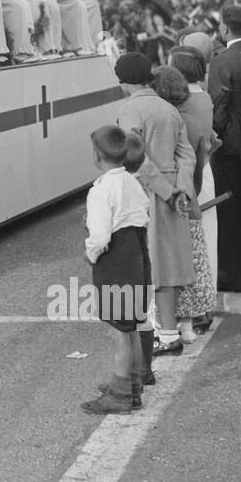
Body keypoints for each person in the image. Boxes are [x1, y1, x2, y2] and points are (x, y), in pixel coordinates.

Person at [114, 51, 195, 364]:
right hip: (174, 188)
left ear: (123, 82)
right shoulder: (168, 108)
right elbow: (186, 154)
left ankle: (161, 334)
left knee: (149, 264)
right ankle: (170, 330)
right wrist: (181, 190)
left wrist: (163, 190)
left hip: (145, 191)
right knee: (169, 262)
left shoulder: (130, 110)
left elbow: (134, 157)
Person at [81, 125, 151, 415]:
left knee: (117, 332)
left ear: (98, 156)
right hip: (137, 262)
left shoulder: (101, 190)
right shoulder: (133, 182)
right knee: (131, 327)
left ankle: (120, 397)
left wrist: (91, 254)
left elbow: (100, 237)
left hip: (115, 266)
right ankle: (133, 387)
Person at [165, 48, 217, 338]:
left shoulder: (183, 112)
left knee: (191, 249)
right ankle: (203, 306)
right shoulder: (205, 98)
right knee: (205, 243)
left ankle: (193, 312)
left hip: (189, 180)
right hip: (203, 171)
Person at [207, 5, 241, 292]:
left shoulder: (222, 61)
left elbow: (218, 108)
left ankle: (232, 274)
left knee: (230, 211)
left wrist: (219, 135)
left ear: (225, 29)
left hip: (230, 146)